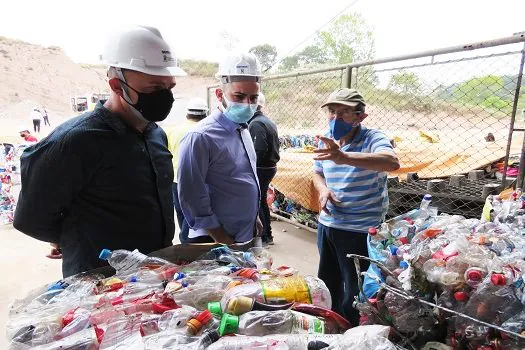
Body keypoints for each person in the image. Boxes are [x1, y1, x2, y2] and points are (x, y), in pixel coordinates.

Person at [14, 26, 186, 277]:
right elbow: (31, 217)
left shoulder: (155, 134)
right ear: (117, 85)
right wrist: (69, 236)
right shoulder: (76, 141)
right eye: (153, 88)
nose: (164, 97)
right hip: (101, 282)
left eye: (169, 88)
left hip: (155, 274)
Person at [312, 88, 400, 325]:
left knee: (355, 287)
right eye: (332, 111)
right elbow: (317, 173)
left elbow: (391, 162)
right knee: (327, 281)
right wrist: (323, 189)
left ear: (361, 117)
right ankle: (330, 322)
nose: (335, 118)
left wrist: (343, 158)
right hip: (328, 224)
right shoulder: (326, 139)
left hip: (358, 230)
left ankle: (352, 331)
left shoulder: (373, 138)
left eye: (344, 113)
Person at [178, 53, 263, 244]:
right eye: (239, 96)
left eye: (253, 97)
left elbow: (245, 178)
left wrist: (253, 217)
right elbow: (191, 195)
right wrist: (220, 237)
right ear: (219, 94)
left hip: (242, 233)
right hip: (215, 240)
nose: (247, 104)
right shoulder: (200, 137)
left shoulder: (242, 129)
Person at [167, 97, 208, 244]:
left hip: (175, 179)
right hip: (197, 181)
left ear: (187, 114)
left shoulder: (173, 131)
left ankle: (185, 242)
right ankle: (188, 243)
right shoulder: (205, 131)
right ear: (205, 114)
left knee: (181, 213)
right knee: (193, 216)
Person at [248, 92, 280, 246]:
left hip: (261, 168)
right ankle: (267, 235)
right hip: (269, 167)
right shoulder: (266, 121)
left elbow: (259, 150)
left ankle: (265, 236)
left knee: (257, 201)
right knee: (260, 201)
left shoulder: (256, 124)